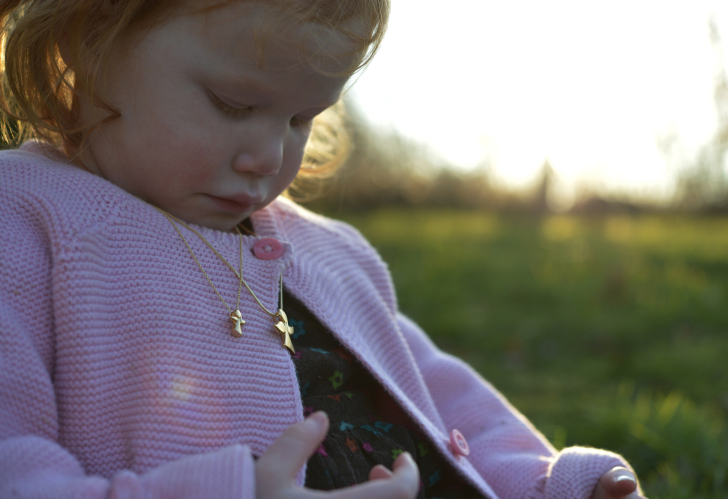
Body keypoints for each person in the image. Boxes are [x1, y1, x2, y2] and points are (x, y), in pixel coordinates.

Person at [0, 1, 647, 498]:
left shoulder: (331, 249)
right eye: (233, 103)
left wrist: (546, 480)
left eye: (300, 118)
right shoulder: (25, 215)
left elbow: (443, 397)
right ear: (87, 39)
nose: (269, 156)